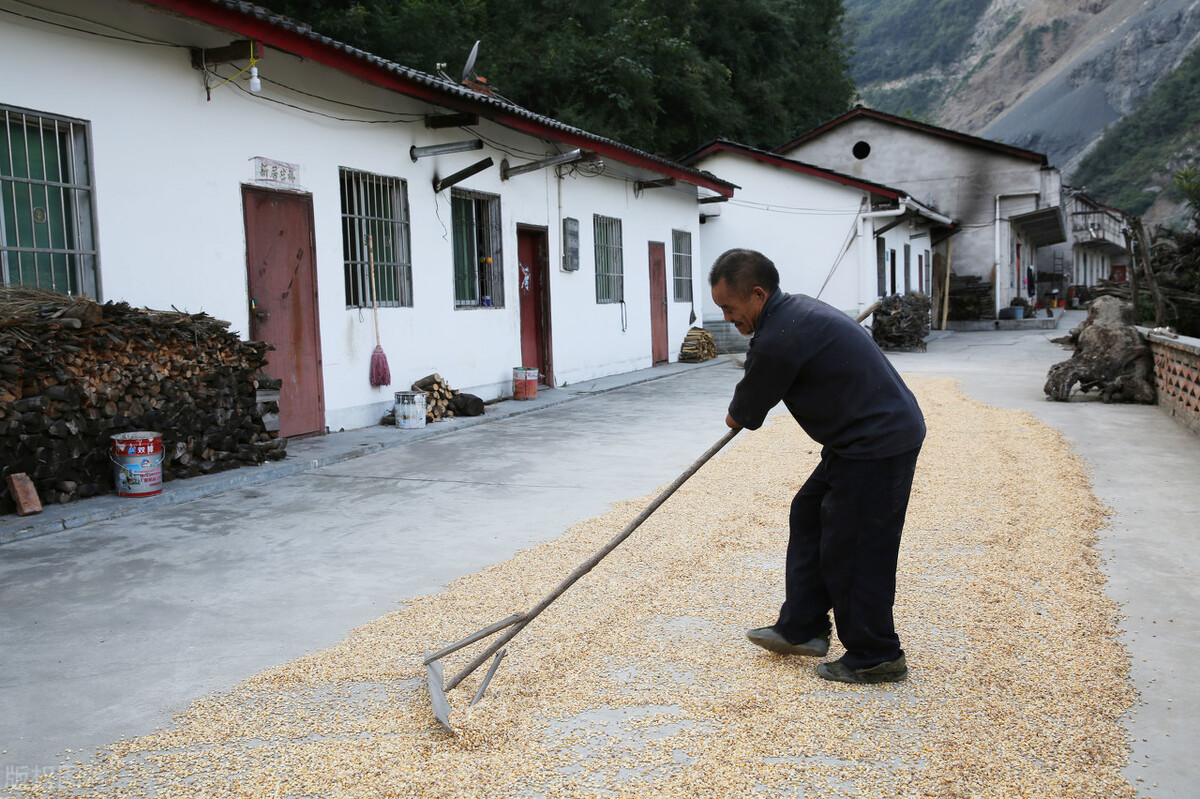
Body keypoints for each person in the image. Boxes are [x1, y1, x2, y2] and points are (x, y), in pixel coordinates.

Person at [709, 248, 925, 684]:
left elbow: (743, 414)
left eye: (730, 309)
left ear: (757, 293)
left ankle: (876, 654)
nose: (729, 319)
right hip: (857, 439)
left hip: (877, 442)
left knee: (857, 544)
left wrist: (744, 395)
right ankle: (803, 625)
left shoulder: (778, 337)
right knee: (808, 513)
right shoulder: (795, 313)